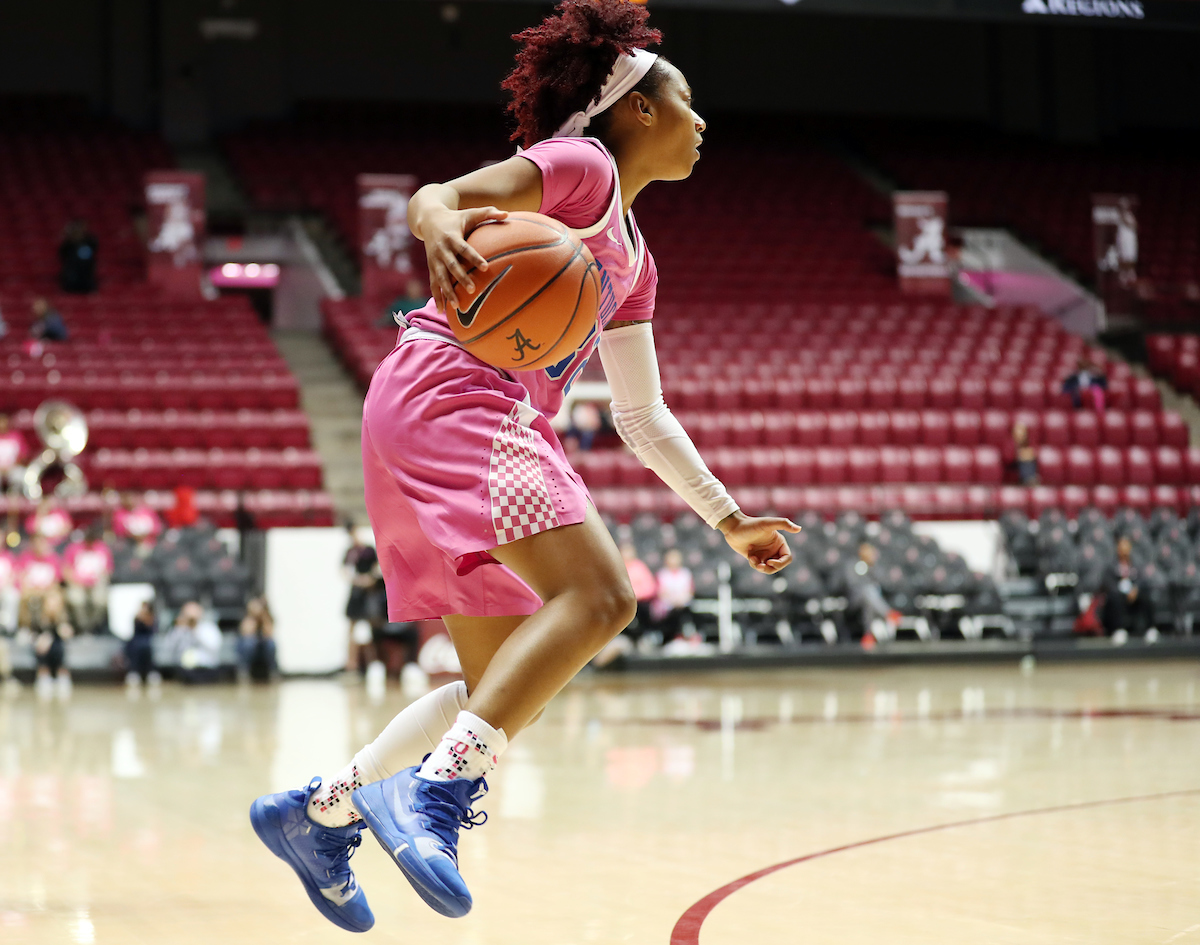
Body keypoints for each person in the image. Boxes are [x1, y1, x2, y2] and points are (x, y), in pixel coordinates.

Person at [248, 1, 799, 932]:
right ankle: (428, 799)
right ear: (640, 109)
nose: (703, 123)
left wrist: (727, 514)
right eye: (688, 100)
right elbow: (440, 197)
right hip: (459, 396)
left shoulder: (636, 258)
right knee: (603, 598)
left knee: (503, 686)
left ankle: (319, 810)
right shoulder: (580, 171)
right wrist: (436, 223)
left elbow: (640, 412)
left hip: (432, 410)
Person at [342, 523, 379, 673]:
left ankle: (373, 665)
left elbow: (377, 568)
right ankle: (351, 665)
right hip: (356, 593)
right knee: (351, 630)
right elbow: (344, 571)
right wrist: (356, 580)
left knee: (370, 629)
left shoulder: (369, 550)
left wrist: (369, 580)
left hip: (368, 594)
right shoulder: (350, 552)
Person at [63, 523, 114, 633]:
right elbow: (67, 570)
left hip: (97, 583)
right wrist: (77, 580)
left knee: (100, 600)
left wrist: (97, 579)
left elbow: (108, 570)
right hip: (77, 583)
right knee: (76, 599)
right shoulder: (73, 548)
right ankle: (82, 627)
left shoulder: (103, 549)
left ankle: (93, 626)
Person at [845, 542, 900, 641]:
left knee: (869, 602)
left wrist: (871, 567)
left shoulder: (874, 565)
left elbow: (884, 583)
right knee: (868, 591)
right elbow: (851, 584)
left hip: (872, 600)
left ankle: (868, 635)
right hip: (855, 600)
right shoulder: (852, 564)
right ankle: (888, 613)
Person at [1102, 536, 1148, 644]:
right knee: (1114, 598)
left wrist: (1135, 589)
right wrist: (1120, 590)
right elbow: (1107, 582)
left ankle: (1149, 629)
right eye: (1122, 548)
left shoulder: (1136, 562)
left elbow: (1142, 579)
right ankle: (1119, 630)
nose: (1124, 551)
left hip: (1133, 594)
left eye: (1126, 548)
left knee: (1146, 596)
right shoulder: (1111, 564)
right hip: (1118, 594)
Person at [163, 601, 222, 682]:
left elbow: (214, 647)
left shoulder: (209, 627)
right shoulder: (180, 629)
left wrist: (195, 630)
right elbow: (168, 647)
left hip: (207, 669)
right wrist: (178, 629)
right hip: (185, 672)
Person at [32, 586, 74, 699]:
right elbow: (33, 631)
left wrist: (66, 631)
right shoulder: (39, 614)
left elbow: (70, 631)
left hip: (58, 644)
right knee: (42, 645)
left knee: (58, 646)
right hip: (42, 645)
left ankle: (62, 674)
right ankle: (44, 674)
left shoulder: (65, 614)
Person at [16, 535, 63, 631]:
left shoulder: (53, 558)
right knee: (23, 599)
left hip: (48, 590)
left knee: (53, 600)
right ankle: (25, 627)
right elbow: (20, 575)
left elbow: (57, 579)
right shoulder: (25, 557)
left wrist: (46, 587)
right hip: (29, 589)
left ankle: (50, 628)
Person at [652, 548, 694, 645]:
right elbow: (660, 592)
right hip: (667, 605)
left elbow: (690, 591)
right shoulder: (662, 574)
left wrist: (681, 600)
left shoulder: (686, 573)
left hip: (683, 603)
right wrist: (672, 600)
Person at [237, 596, 277, 681]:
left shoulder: (267, 617)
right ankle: (244, 672)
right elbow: (246, 632)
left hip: (262, 647)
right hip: (250, 648)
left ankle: (272, 671)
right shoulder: (246, 616)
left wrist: (262, 616)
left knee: (271, 644)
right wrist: (253, 617)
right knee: (248, 643)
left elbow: (269, 633)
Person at [125, 599, 161, 687]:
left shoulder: (153, 618)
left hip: (148, 640)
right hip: (137, 640)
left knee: (146, 647)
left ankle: (151, 672)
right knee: (133, 646)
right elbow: (135, 631)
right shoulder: (137, 618)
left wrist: (147, 620)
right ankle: (134, 672)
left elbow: (153, 631)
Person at [58, 219, 98, 294]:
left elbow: (95, 248)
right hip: (71, 275)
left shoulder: (90, 240)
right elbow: (62, 254)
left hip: (87, 274)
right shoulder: (68, 243)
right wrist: (71, 239)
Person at [0, 414, 28, 495]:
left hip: (13, 467)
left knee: (20, 475)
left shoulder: (16, 437)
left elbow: (23, 455)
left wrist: (14, 465)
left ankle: (14, 496)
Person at [1012, 422, 1039, 486]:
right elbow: (1007, 458)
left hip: (1030, 465)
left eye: (1022, 431)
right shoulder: (1010, 443)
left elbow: (1035, 453)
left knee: (1027, 460)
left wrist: (1028, 454)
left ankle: (1029, 480)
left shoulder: (1030, 442)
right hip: (1014, 467)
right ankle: (1028, 480)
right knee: (1024, 460)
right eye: (1018, 431)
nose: (1020, 433)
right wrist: (1018, 455)